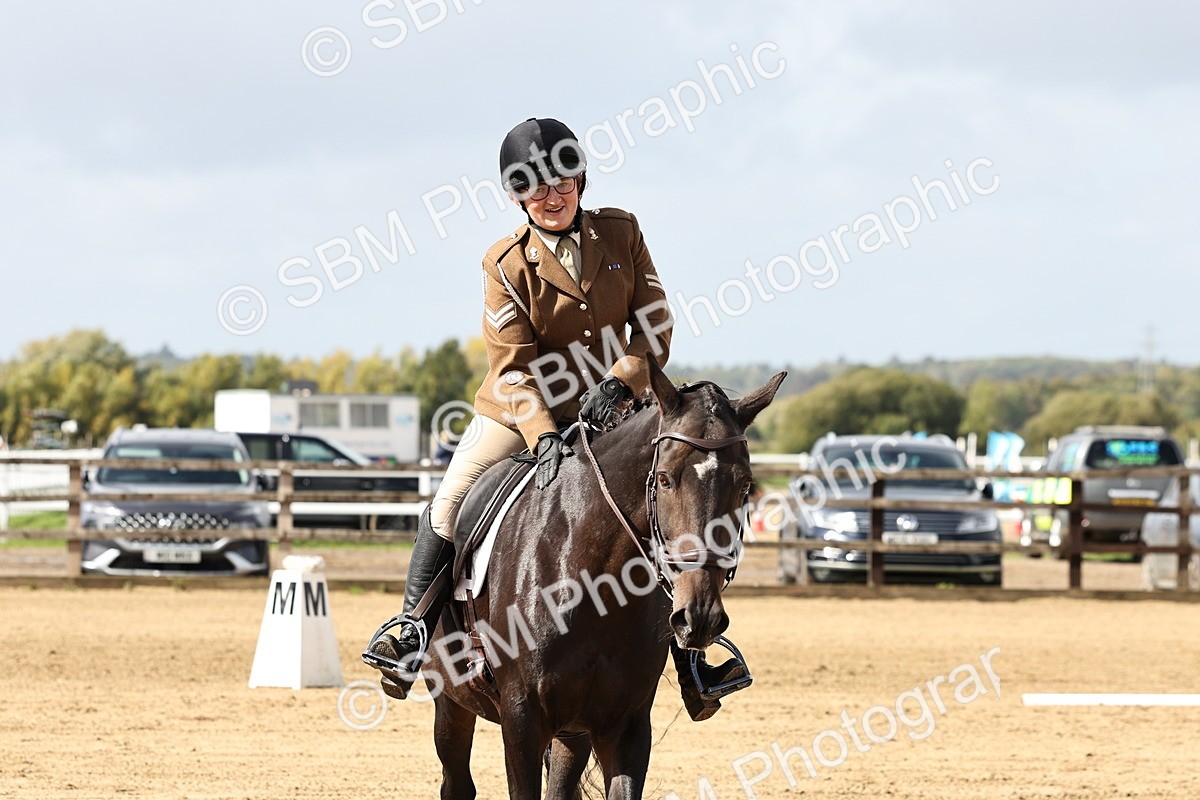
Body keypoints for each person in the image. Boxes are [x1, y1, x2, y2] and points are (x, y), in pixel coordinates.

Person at [365, 117, 745, 720]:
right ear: (518, 196)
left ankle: (693, 655)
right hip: (520, 412)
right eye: (535, 187)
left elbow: (655, 326)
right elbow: (512, 367)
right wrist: (545, 436)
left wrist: (619, 382)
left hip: (619, 406)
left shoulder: (622, 233)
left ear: (580, 178)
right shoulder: (504, 263)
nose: (551, 194)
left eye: (561, 180)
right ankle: (412, 629)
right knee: (450, 498)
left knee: (672, 497)